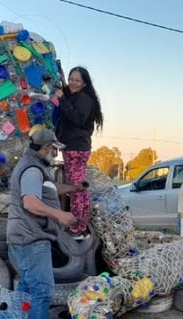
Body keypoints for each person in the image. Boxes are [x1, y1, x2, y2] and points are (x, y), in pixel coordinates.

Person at [7, 128, 86, 319]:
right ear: (45, 148)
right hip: (31, 238)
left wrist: (73, 189)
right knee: (42, 291)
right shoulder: (32, 169)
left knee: (26, 289)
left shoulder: (36, 167)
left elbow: (48, 189)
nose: (54, 153)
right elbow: (31, 202)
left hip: (26, 236)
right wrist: (61, 215)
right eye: (53, 149)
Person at [54, 66, 104, 239]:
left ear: (84, 83)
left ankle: (77, 228)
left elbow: (77, 118)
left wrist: (62, 101)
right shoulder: (76, 96)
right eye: (71, 79)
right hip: (75, 147)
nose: (73, 83)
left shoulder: (83, 99)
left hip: (76, 149)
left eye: (78, 80)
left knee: (75, 189)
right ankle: (81, 225)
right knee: (79, 188)